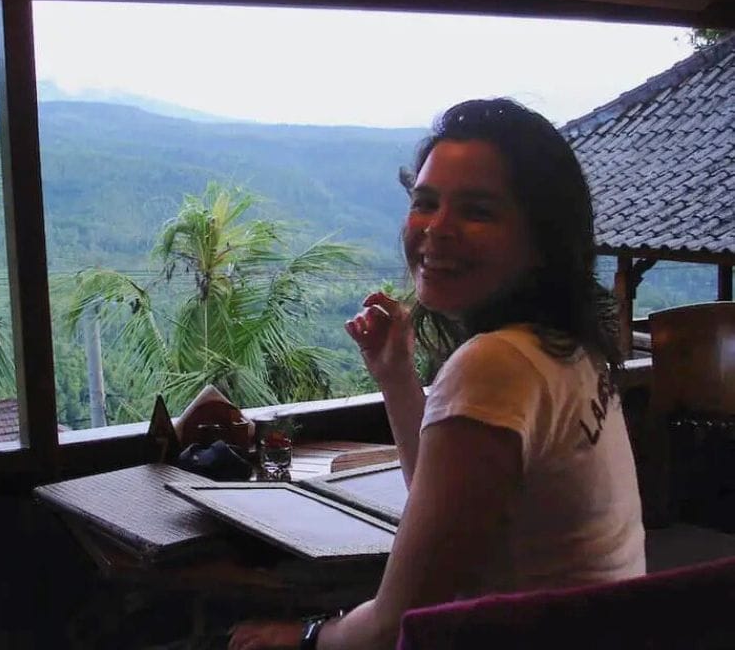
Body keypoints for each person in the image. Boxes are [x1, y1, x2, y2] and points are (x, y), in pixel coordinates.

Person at [228, 98, 645, 650]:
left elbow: (396, 624)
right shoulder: (566, 346)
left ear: (540, 239)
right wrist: (397, 378)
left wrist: (301, 638)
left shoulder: (498, 363)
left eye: (477, 211)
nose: (437, 229)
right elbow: (449, 515)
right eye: (425, 203)